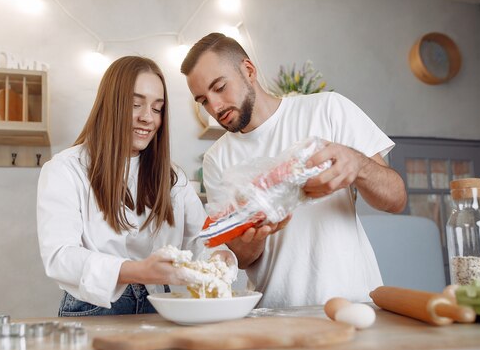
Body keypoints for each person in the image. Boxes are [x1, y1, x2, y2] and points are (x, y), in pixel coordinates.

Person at [181, 33, 407, 308]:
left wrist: (358, 165)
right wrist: (256, 233)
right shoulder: (216, 158)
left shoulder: (327, 109)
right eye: (203, 100)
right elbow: (241, 259)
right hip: (275, 314)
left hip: (355, 302)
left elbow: (396, 199)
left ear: (248, 70)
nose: (214, 107)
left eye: (220, 87)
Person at [37, 56, 207, 316]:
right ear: (110, 105)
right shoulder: (65, 169)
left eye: (157, 108)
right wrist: (137, 271)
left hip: (160, 305)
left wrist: (220, 256)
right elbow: (60, 257)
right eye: (135, 104)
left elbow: (201, 238)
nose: (147, 118)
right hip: (95, 307)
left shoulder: (173, 177)